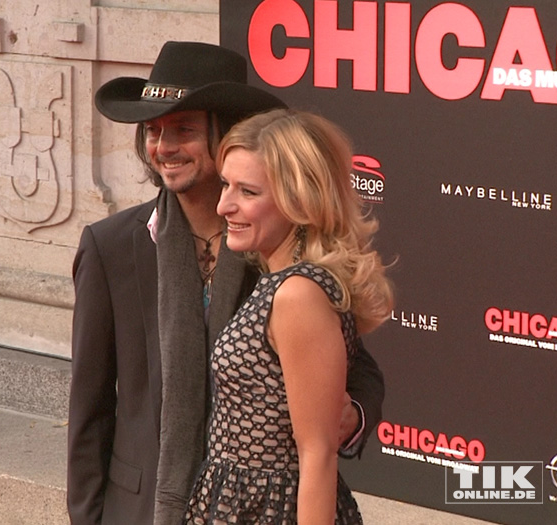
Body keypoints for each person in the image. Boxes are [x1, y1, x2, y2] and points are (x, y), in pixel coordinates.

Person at [67, 41, 385, 525]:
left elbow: (355, 368)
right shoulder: (109, 247)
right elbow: (88, 411)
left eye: (184, 129)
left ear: (227, 135)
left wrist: (347, 415)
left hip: (259, 506)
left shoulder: (273, 244)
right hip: (140, 508)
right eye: (152, 130)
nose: (163, 147)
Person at [183, 108, 394, 524]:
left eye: (248, 192)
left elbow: (316, 454)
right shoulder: (282, 282)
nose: (224, 205)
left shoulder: (299, 294)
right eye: (226, 185)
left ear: (299, 200)